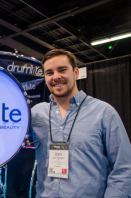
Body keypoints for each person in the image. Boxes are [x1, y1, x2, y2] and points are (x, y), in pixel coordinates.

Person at [31, 49, 131, 198]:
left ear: (76, 72)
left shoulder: (104, 112)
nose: (56, 77)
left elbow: (124, 168)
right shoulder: (36, 114)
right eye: (49, 72)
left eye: (62, 70)